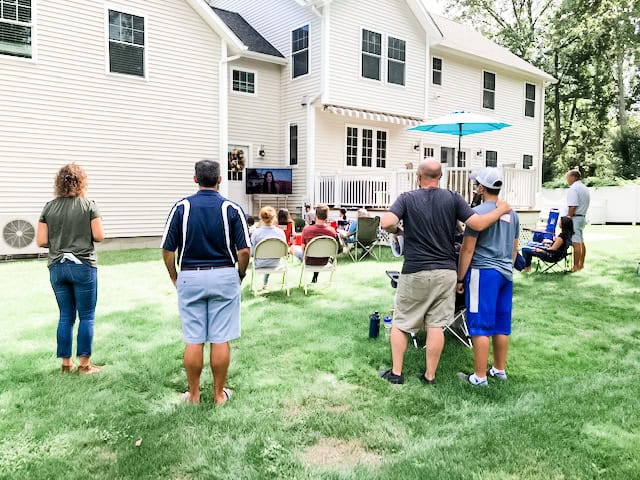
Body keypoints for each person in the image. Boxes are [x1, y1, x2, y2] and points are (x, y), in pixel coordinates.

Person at [379, 159, 511, 385]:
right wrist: (501, 210)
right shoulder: (453, 198)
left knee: (401, 323)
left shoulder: (407, 198)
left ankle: (397, 374)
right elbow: (478, 224)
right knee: (436, 325)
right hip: (446, 272)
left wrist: (398, 229)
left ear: (418, 177)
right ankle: (429, 376)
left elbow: (386, 222)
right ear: (440, 177)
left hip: (415, 271)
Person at [161, 160, 250, 405]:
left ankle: (194, 395)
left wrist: (174, 276)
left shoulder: (181, 207)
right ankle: (219, 395)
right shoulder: (232, 208)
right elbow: (244, 250)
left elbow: (167, 249)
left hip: (190, 275)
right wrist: (240, 274)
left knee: (194, 338)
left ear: (195, 179)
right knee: (220, 338)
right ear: (220, 179)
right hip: (224, 275)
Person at [36, 163, 105, 374]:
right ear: (82, 182)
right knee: (87, 316)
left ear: (59, 183)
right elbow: (99, 236)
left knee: (65, 315)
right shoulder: (89, 205)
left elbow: (41, 241)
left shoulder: (48, 207)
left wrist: (60, 240)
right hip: (83, 266)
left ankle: (66, 364)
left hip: (57, 267)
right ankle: (84, 365)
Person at [456, 168, 519, 387]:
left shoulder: (476, 214)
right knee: (501, 324)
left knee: (480, 325)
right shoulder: (512, 213)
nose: (475, 188)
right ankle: (499, 370)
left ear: (482, 188)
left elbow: (467, 250)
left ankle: (479, 377)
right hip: (505, 274)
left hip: (483, 272)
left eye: (476, 185)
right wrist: (507, 267)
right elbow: (514, 248)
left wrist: (460, 278)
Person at [291, 204, 338, 283]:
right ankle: (315, 277)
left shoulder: (306, 230)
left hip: (309, 261)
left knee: (292, 248)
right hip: (324, 261)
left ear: (315, 215)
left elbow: (303, 249)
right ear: (327, 216)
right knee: (318, 251)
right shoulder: (332, 231)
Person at [250, 206, 287, 289]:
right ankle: (265, 283)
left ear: (261, 218)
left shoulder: (256, 233)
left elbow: (251, 253)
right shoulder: (280, 232)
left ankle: (264, 283)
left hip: (259, 264)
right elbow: (285, 252)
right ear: (274, 218)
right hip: (276, 263)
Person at [566, 169, 590, 272]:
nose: (567, 179)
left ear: (573, 177)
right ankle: (581, 264)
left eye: (568, 177)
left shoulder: (573, 188)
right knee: (580, 241)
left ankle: (575, 266)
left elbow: (573, 205)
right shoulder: (584, 188)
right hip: (582, 216)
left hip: (575, 217)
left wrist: (568, 217)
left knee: (575, 242)